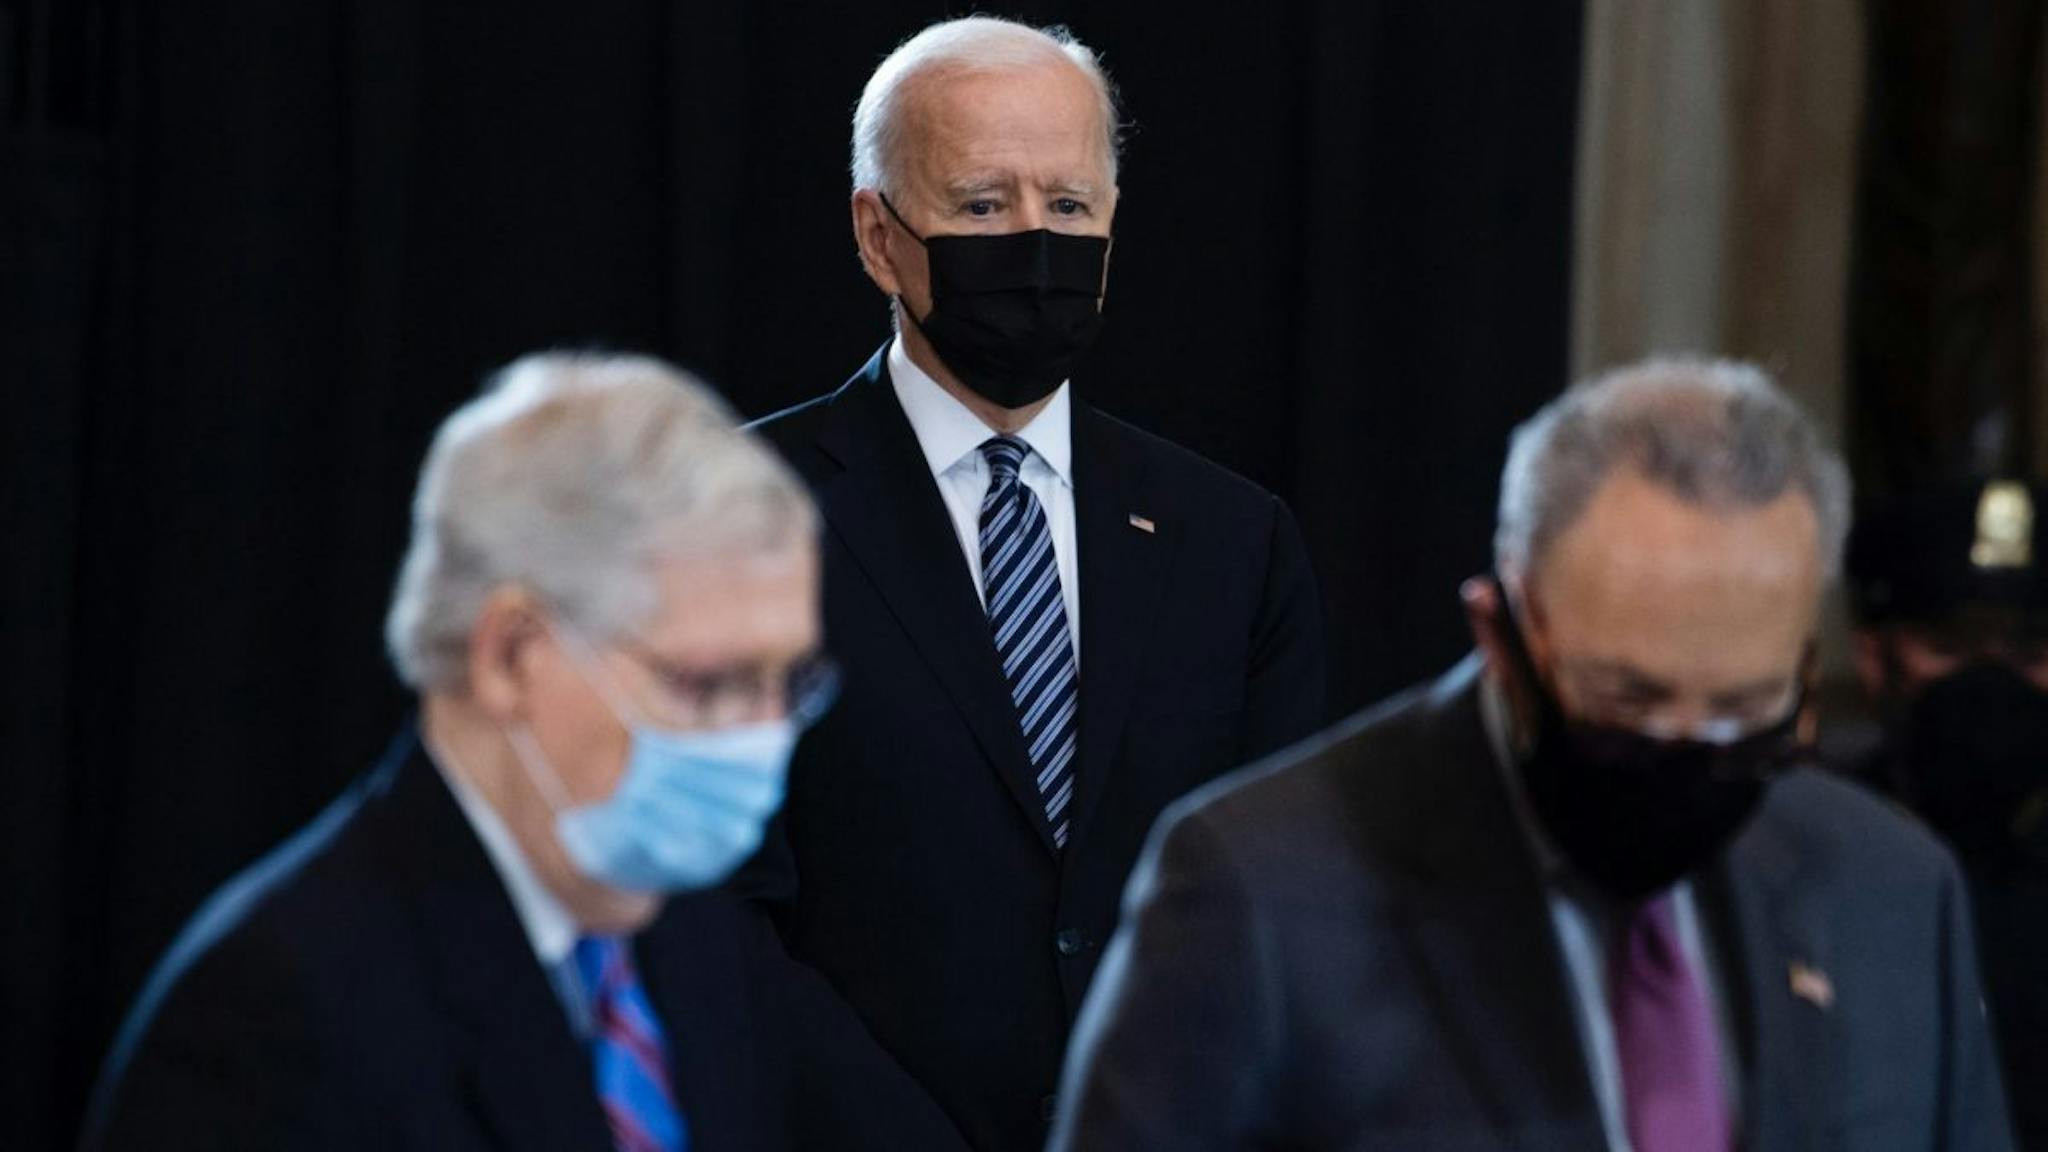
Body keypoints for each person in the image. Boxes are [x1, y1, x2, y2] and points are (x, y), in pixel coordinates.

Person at [1051, 359, 2014, 1151]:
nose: (1686, 749)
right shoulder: (1258, 894)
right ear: (1502, 634)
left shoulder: (1892, 890)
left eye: (1742, 710)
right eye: (1627, 698)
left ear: (1807, 665)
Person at [81, 353, 966, 1151]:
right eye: (709, 685)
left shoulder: (692, 938)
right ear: (509, 654)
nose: (761, 736)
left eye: (788, 683)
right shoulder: (274, 1016)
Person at [742, 16, 1327, 1150]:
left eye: (1066, 206)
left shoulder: (1232, 542)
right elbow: (717, 918)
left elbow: (1283, 900)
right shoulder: (734, 517)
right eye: (979, 205)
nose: (1032, 241)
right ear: (877, 234)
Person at [1845, 477, 2048, 1148]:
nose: (1992, 680)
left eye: (2027, 651)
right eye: (1951, 647)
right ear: (1874, 657)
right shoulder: (1810, 850)